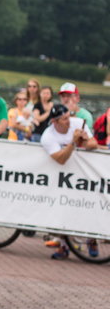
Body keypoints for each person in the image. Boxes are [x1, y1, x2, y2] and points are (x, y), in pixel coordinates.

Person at [40, 104, 98, 259]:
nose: (69, 120)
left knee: (88, 208)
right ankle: (64, 247)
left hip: (83, 178)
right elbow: (60, 159)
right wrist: (73, 142)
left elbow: (94, 144)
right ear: (55, 122)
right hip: (62, 179)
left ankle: (91, 239)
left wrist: (84, 141)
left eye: (68, 116)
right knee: (63, 213)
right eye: (64, 119)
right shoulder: (48, 136)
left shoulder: (78, 122)